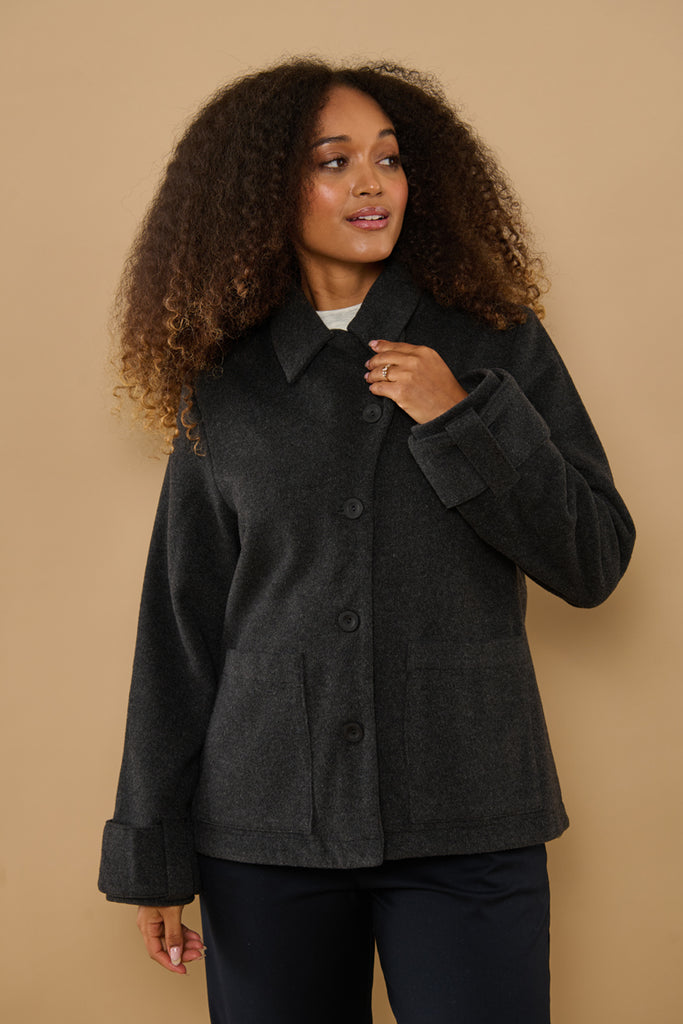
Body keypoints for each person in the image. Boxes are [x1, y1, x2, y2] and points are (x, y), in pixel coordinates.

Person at [98, 58, 635, 1023]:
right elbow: (180, 626)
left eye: (388, 159)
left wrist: (458, 419)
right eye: (333, 161)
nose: (370, 183)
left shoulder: (493, 338)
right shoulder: (226, 382)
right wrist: (152, 850)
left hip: (468, 813)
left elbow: (592, 559)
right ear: (265, 190)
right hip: (264, 830)